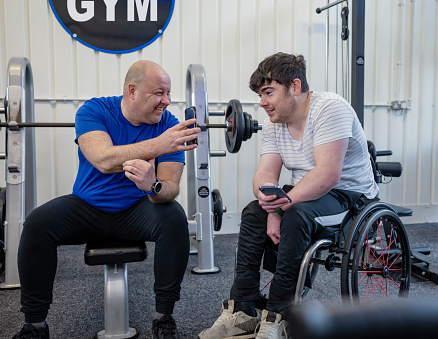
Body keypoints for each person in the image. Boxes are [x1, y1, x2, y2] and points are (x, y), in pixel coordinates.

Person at [12, 60, 201, 339]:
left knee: (174, 216)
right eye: (159, 93)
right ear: (132, 90)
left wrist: (154, 185)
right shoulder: (95, 110)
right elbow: (102, 159)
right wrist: (160, 144)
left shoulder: (170, 125)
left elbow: (171, 188)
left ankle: (164, 317)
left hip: (137, 208)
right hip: (86, 207)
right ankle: (35, 324)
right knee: (38, 223)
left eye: (169, 93)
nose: (167, 101)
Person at [198, 52, 379, 339]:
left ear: (295, 87)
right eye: (260, 94)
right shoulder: (274, 122)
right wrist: (268, 203)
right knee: (252, 212)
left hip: (348, 194)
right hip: (305, 192)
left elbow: (327, 175)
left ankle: (280, 314)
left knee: (295, 215)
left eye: (268, 93)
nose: (262, 102)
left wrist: (280, 210)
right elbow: (265, 173)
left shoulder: (330, 109)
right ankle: (242, 310)